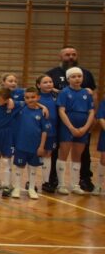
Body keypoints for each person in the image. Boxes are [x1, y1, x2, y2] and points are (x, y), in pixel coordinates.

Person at [45, 46, 97, 192]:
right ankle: (56, 181)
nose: (71, 57)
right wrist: (71, 127)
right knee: (58, 153)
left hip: (83, 125)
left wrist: (88, 125)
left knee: (81, 155)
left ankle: (81, 181)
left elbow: (92, 103)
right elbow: (47, 93)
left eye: (73, 54)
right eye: (67, 54)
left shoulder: (87, 79)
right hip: (63, 124)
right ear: (60, 56)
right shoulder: (53, 75)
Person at [56, 67, 94, 195]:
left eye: (79, 76)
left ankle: (74, 184)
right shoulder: (64, 92)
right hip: (67, 127)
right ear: (68, 79)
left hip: (83, 127)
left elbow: (91, 112)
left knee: (77, 157)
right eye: (73, 76)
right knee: (63, 154)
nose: (77, 79)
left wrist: (85, 128)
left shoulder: (87, 93)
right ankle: (61, 184)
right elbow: (61, 111)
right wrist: (71, 128)